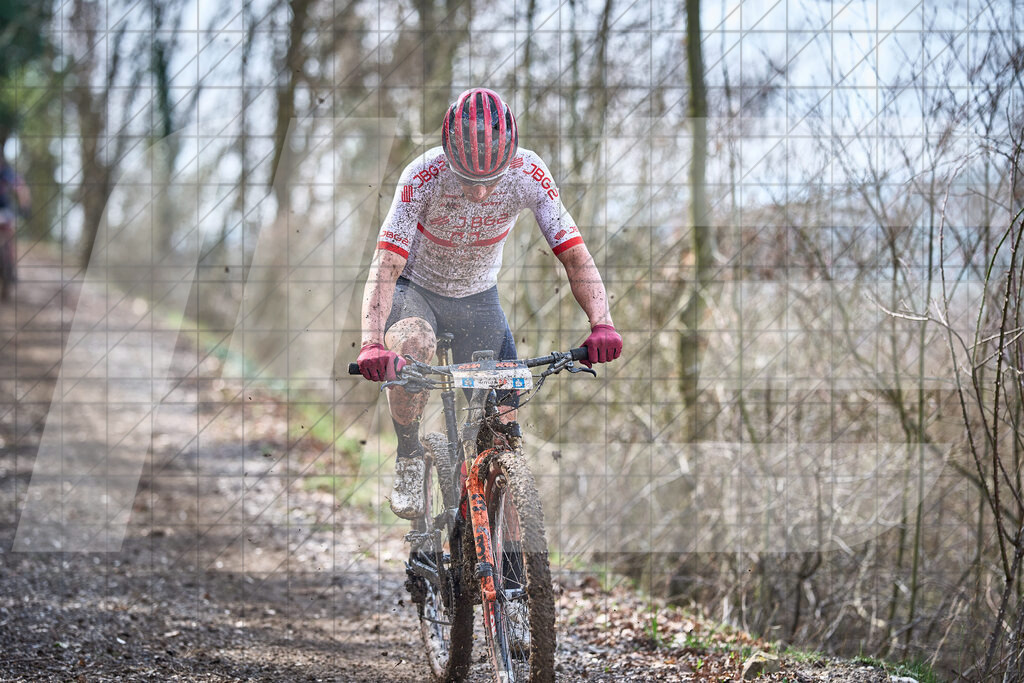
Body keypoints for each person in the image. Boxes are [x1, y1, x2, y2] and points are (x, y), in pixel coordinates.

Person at [356, 88, 622, 519]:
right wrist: (372, 342)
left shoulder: (528, 172)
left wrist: (602, 322)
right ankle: (408, 456)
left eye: (489, 181)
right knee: (414, 342)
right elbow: (386, 265)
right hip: (416, 289)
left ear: (509, 161)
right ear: (448, 158)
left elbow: (574, 254)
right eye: (467, 180)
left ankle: (503, 551)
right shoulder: (421, 176)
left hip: (478, 297)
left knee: (503, 427)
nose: (479, 194)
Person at [0, 155, 31, 300]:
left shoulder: (7, 172)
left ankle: (11, 267)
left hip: (6, 212)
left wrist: (25, 206)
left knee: (10, 237)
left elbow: (21, 188)